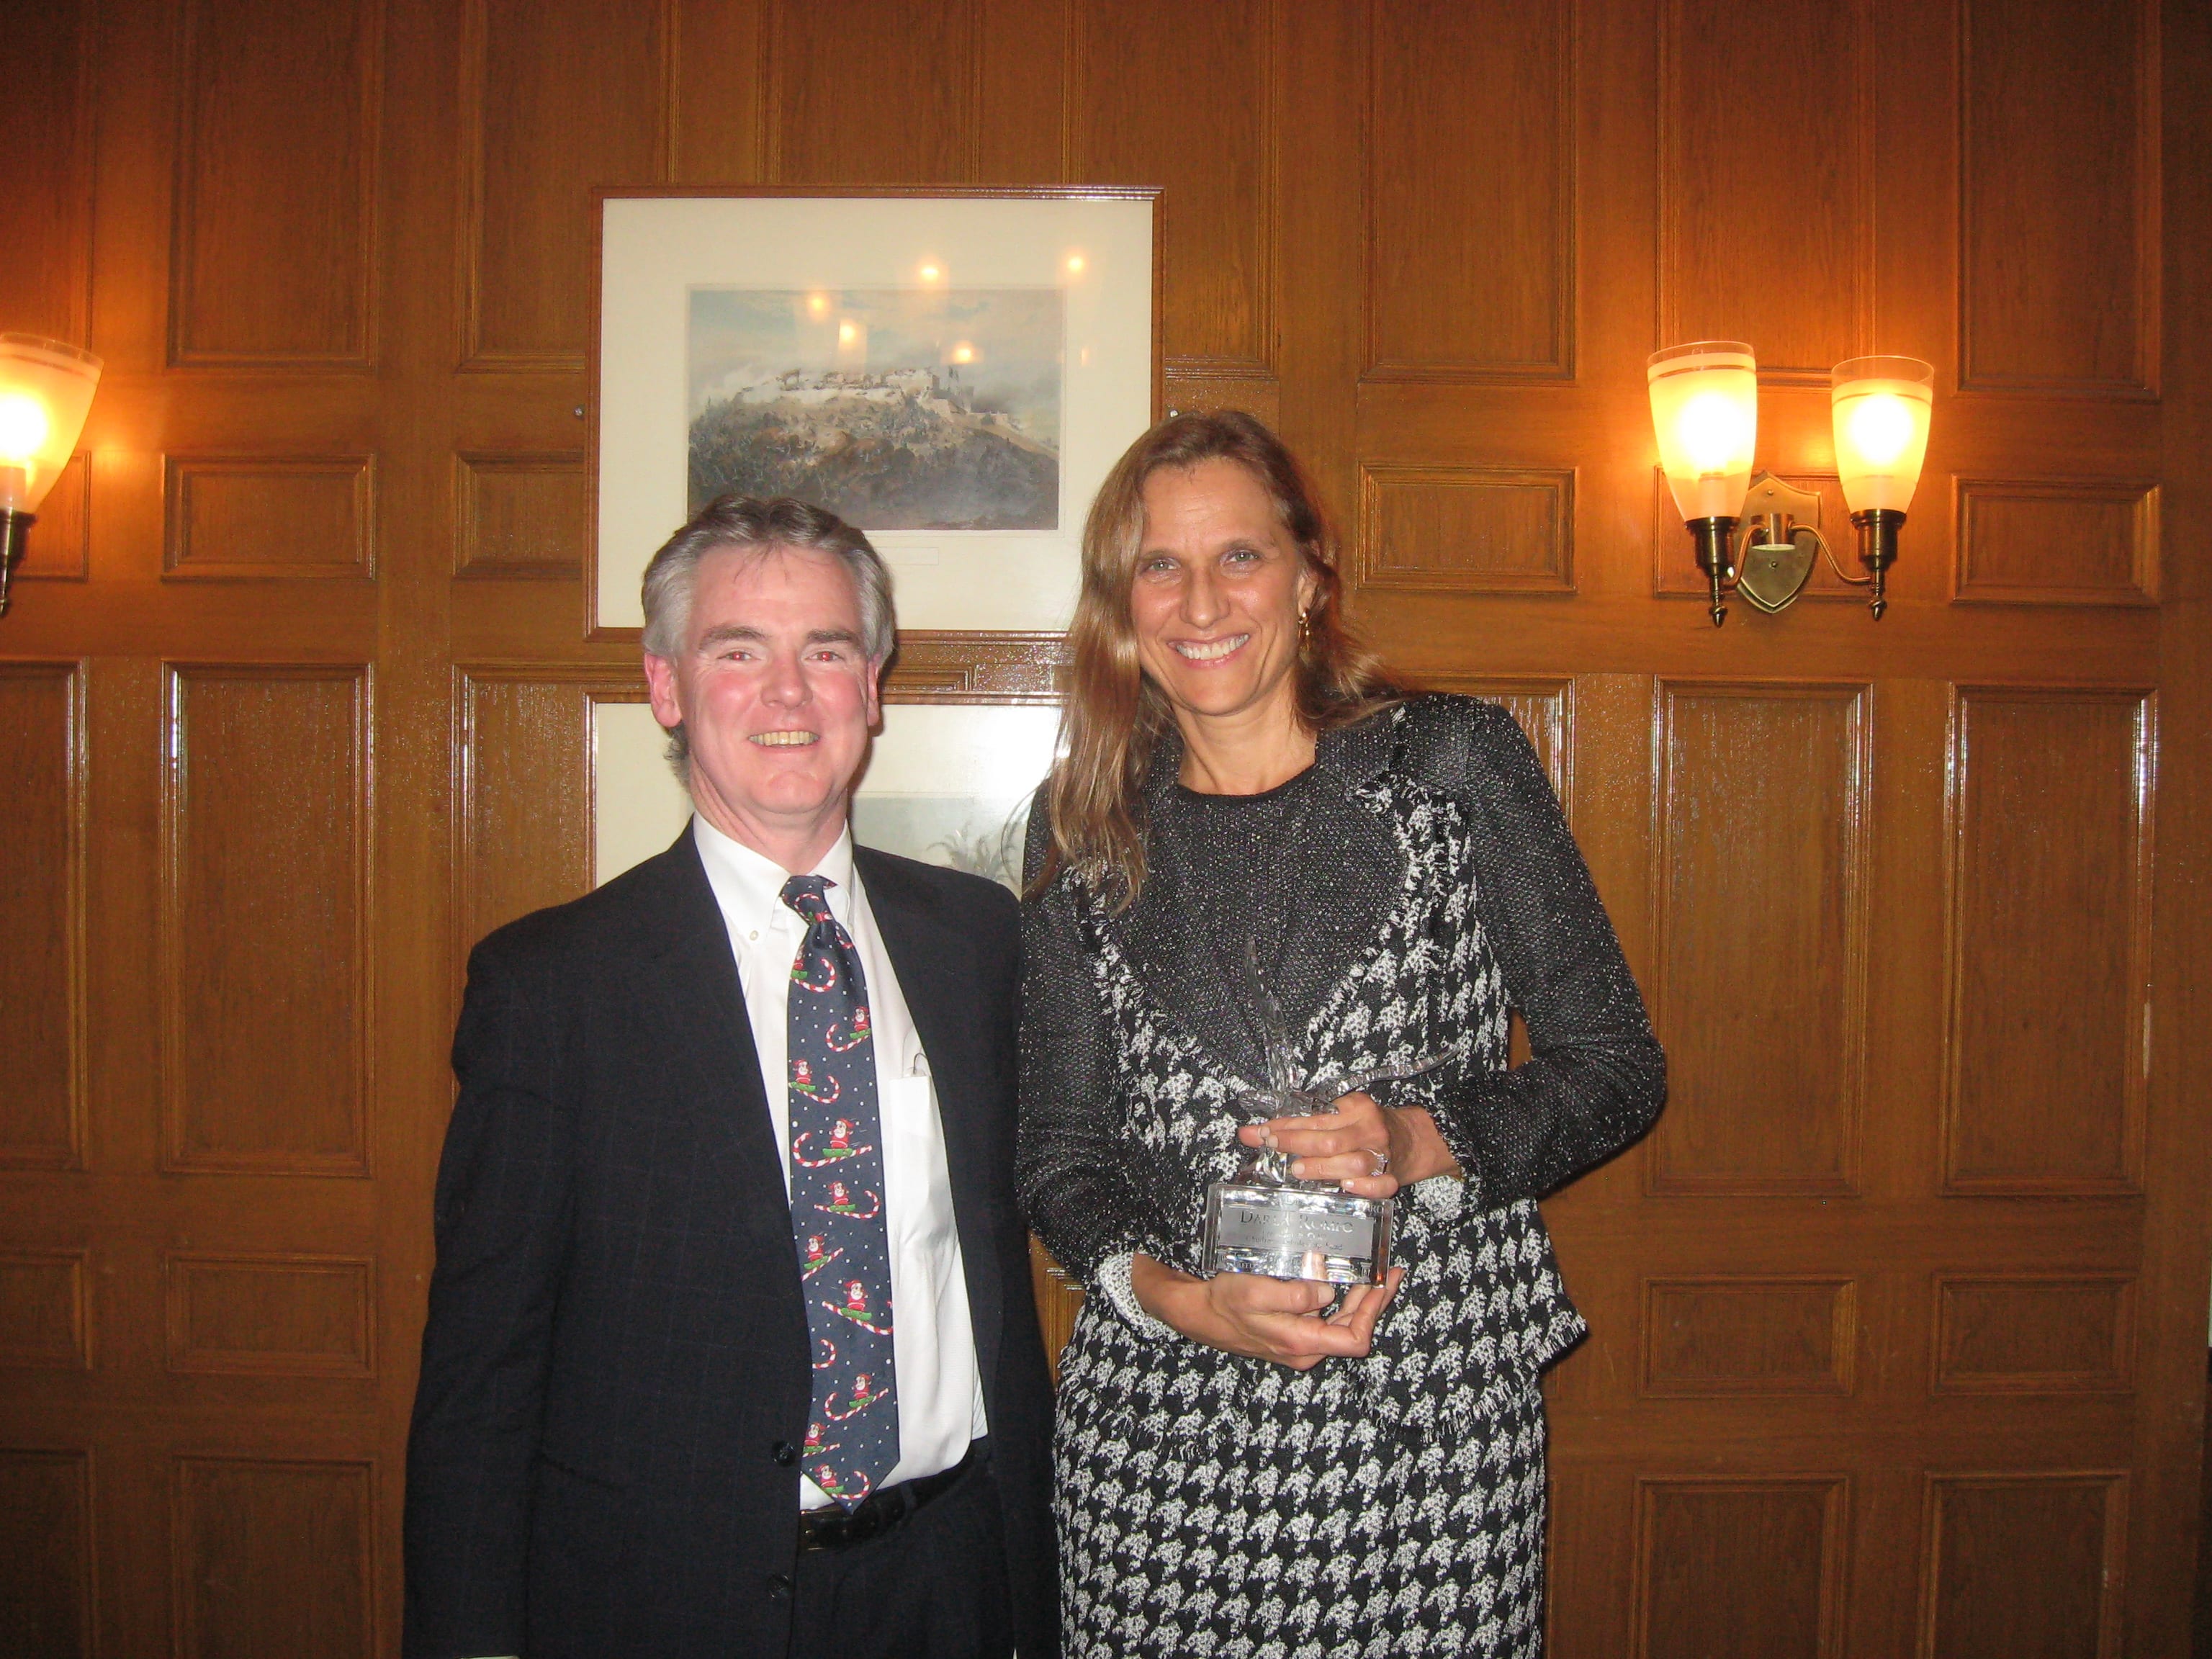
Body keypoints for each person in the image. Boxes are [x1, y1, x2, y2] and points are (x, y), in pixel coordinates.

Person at [1017, 412, 1665, 1656]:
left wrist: (1429, 1138)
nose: (1201, 599)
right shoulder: (1077, 832)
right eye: (1160, 564)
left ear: (1311, 575)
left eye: (1240, 558)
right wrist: (1172, 1298)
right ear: (1120, 603)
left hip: (1425, 1428)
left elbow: (1619, 1065)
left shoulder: (1453, 766)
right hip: (1159, 1443)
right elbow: (1057, 1149)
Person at [405, 497, 1057, 1659]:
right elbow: (481, 1371)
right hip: (665, 1599)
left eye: (826, 650)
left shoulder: (975, 940)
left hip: (949, 1582)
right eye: (737, 651)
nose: (788, 694)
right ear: (667, 688)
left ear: (872, 685)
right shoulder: (553, 986)